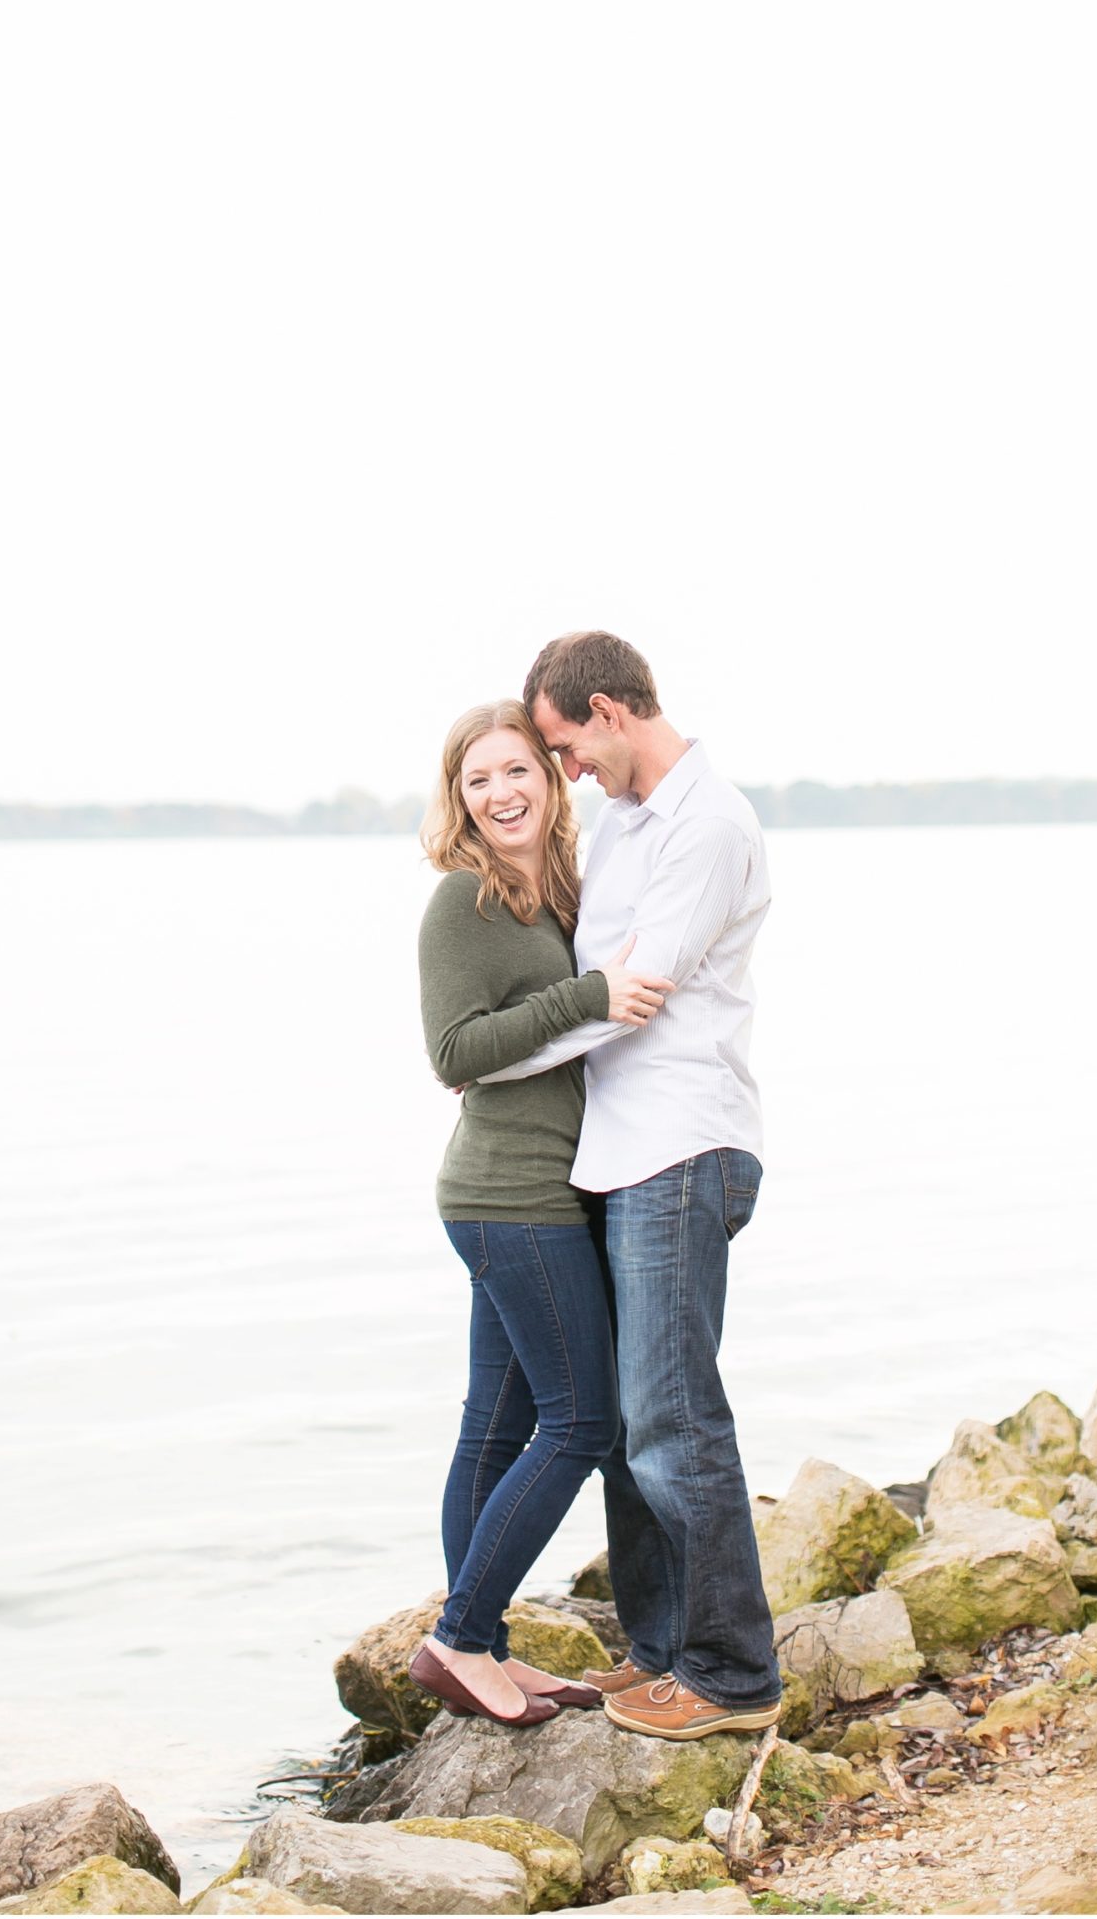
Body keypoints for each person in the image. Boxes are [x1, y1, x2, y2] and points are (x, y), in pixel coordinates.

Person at [476, 630, 782, 1741]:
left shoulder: (706, 823)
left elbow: (631, 989)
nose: (565, 775)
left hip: (682, 1146)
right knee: (621, 1426)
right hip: (615, 1150)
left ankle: (731, 1675)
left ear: (606, 710)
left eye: (560, 749)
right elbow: (595, 987)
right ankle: (658, 1650)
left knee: (672, 1415)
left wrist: (487, 1051)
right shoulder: (621, 824)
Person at [410, 699, 676, 1728]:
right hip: (507, 1195)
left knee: (496, 1426)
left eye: (516, 769)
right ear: (459, 798)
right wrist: (590, 995)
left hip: (543, 1192)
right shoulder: (463, 904)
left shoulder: (556, 890)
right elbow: (452, 1053)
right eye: (478, 779)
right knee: (581, 1420)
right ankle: (461, 1637)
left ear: (549, 776)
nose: (501, 792)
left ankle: (487, 1653)